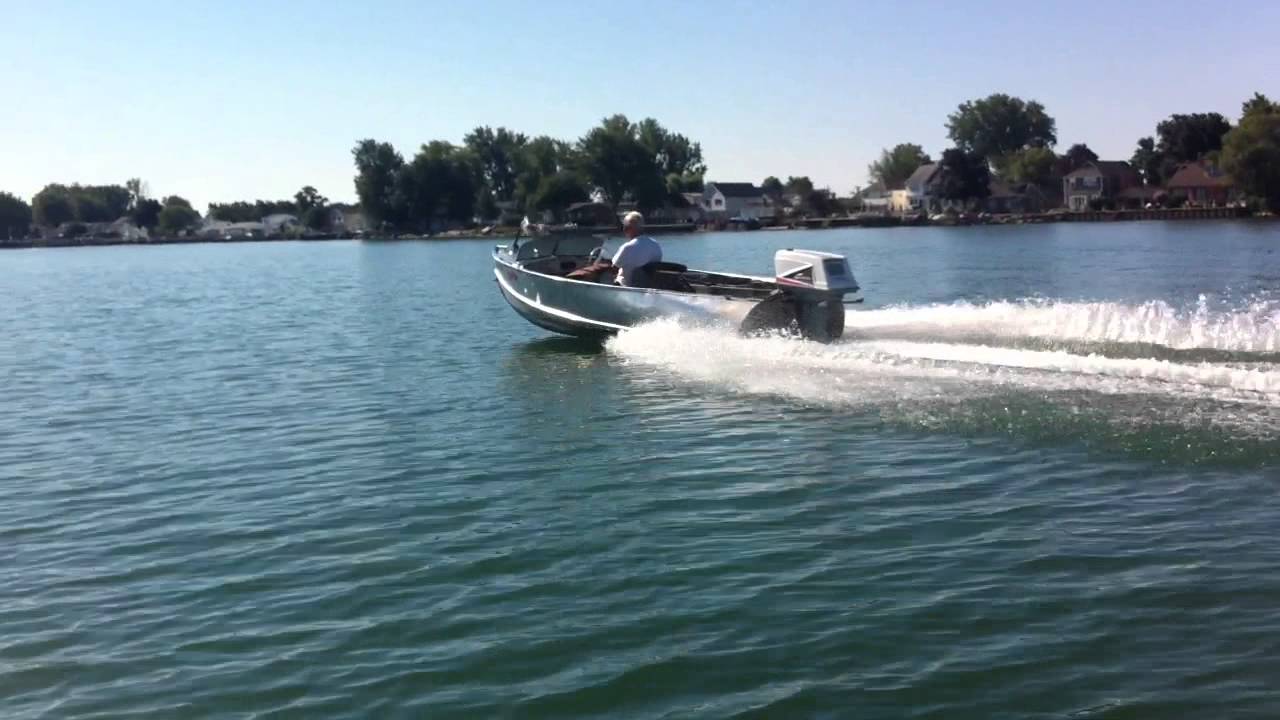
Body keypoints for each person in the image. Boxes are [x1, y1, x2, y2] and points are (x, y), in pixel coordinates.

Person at [611, 211, 662, 287]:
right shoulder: (656, 245)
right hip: (648, 285)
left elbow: (614, 268)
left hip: (626, 285)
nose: (624, 230)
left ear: (630, 229)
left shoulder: (627, 247)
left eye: (625, 227)